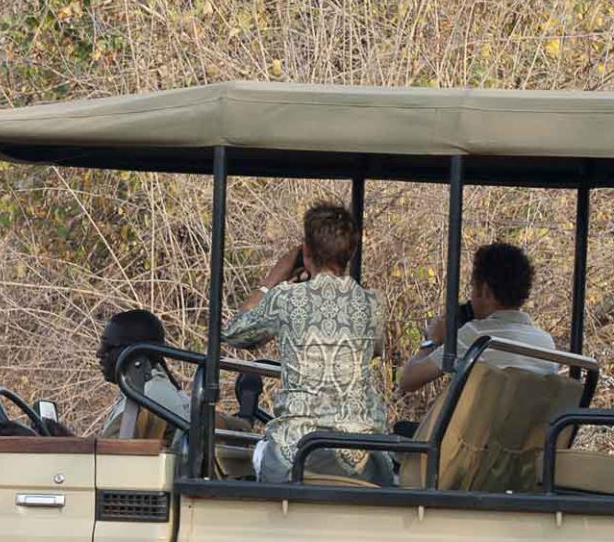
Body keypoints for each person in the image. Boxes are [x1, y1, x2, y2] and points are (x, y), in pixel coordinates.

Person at [222, 201, 389, 482]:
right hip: (360, 459)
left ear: (306, 250)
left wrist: (274, 279)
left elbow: (234, 332)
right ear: (352, 251)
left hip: (294, 454)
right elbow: (373, 349)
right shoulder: (373, 304)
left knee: (259, 452)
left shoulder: (286, 298)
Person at [397, 241, 556, 395]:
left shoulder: (476, 336)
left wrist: (432, 340)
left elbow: (407, 381)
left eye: (472, 287)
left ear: (485, 291)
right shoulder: (546, 343)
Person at [95, 309, 189, 440]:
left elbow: (113, 455)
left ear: (136, 352)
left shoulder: (152, 396)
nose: (99, 353)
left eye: (108, 346)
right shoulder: (140, 392)